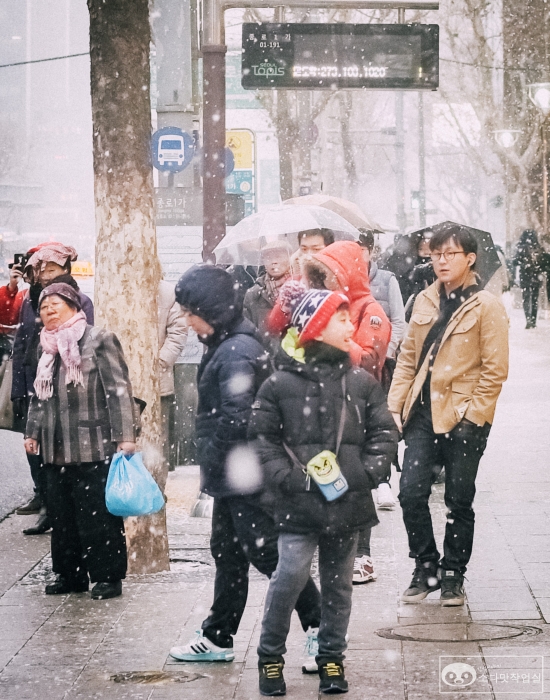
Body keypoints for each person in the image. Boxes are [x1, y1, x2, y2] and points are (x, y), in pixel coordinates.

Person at [248, 285, 398, 696]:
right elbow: (262, 439)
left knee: (339, 587)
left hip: (347, 501)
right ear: (315, 327)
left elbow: (385, 432)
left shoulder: (361, 382)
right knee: (289, 577)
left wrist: (365, 473)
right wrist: (288, 478)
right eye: (341, 319)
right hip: (297, 503)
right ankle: (270, 658)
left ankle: (332, 657)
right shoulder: (278, 384)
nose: (351, 326)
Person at [169, 266, 322, 664]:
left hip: (245, 473)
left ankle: (320, 628)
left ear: (212, 310)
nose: (187, 320)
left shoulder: (236, 350)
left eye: (190, 312)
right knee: (228, 553)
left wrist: (212, 455)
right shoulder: (227, 342)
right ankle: (218, 636)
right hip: (233, 473)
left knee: (267, 554)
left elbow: (237, 418)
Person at [388, 223, 509, 606]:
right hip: (423, 412)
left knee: (458, 499)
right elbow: (408, 358)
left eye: (450, 254)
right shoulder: (425, 299)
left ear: (469, 259)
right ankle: (426, 567)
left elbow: (495, 370)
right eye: (436, 254)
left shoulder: (486, 305)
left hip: (463, 416)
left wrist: (474, 417)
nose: (441, 261)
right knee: (410, 493)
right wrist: (394, 406)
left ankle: (454, 574)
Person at [24, 283, 137, 600]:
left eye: (55, 304)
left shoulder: (99, 339)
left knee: (97, 516)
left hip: (92, 442)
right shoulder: (45, 347)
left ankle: (107, 577)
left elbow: (119, 391)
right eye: (44, 306)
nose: (49, 310)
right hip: (55, 446)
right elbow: (39, 395)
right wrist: (32, 432)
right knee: (62, 517)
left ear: (74, 306)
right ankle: (70, 575)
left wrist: (126, 436)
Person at [13, 243, 94, 535]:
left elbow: (85, 343)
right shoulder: (29, 301)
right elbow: (21, 344)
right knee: (33, 446)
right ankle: (45, 499)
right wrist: (18, 388)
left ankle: (57, 509)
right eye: (41, 269)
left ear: (65, 269)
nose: (46, 274)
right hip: (35, 382)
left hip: (64, 386)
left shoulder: (79, 300)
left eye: (52, 268)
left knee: (60, 449)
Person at [351, 231, 406, 584]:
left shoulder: (381, 288)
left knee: (356, 467)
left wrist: (387, 351)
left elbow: (394, 325)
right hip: (330, 397)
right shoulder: (325, 295)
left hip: (371, 378)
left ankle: (362, 553)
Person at [304, 240, 391, 380]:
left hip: (356, 389)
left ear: (346, 275)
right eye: (320, 277)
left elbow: (370, 364)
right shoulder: (329, 306)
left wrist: (336, 340)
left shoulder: (371, 311)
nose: (324, 282)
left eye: (327, 276)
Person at [158, 280, 188, 470]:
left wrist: (159, 362)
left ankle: (158, 478)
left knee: (159, 434)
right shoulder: (118, 286)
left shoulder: (166, 292)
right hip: (122, 379)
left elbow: (178, 331)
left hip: (158, 378)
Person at [244, 242, 293, 354]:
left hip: (295, 357)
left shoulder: (300, 288)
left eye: (278, 256)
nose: (273, 261)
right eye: (268, 258)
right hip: (264, 357)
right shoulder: (253, 294)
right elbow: (248, 332)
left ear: (290, 258)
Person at [380, 229, 432, 305]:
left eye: (428, 248)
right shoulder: (407, 265)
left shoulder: (431, 266)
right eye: (421, 248)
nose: (426, 251)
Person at [513, 229, 543, 329]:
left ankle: (528, 320)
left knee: (526, 298)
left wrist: (522, 263)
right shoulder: (538, 247)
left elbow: (515, 261)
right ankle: (533, 320)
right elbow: (542, 262)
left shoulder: (521, 247)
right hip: (536, 275)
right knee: (535, 298)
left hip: (525, 276)